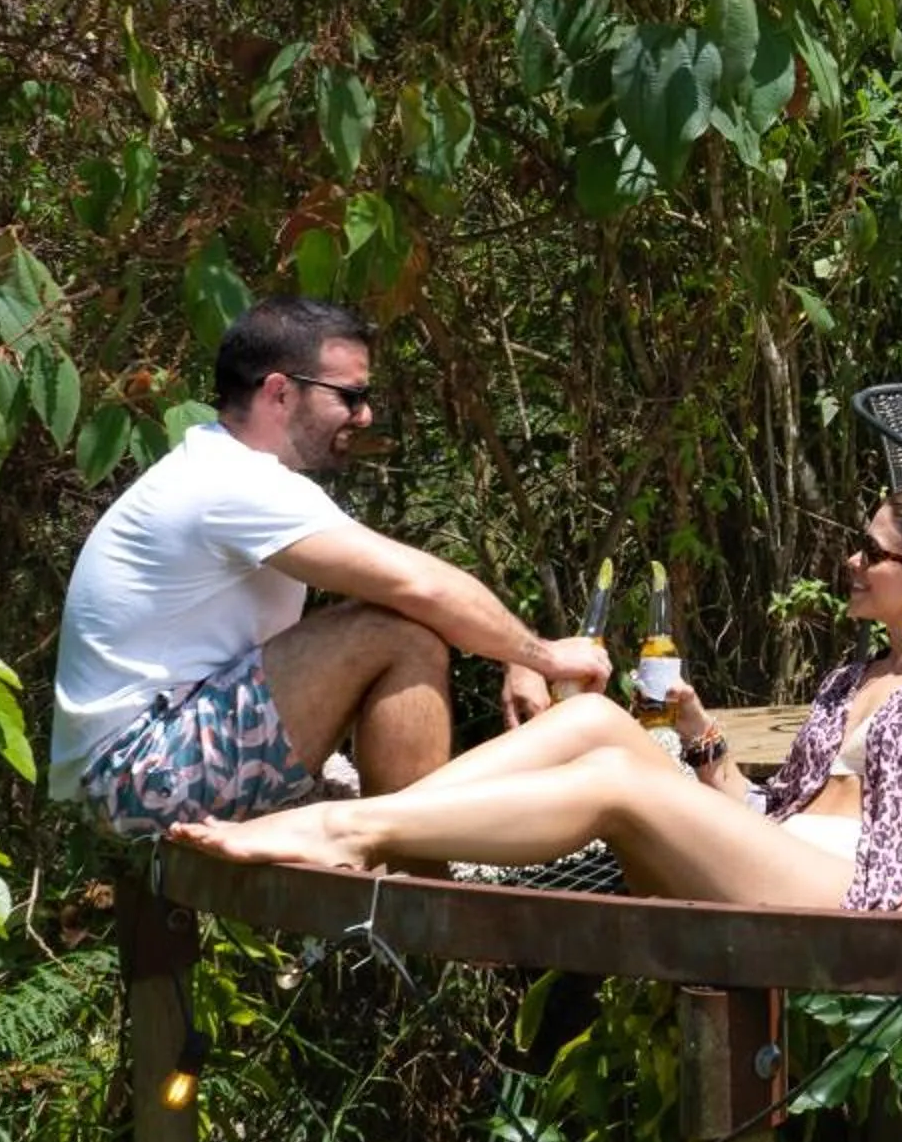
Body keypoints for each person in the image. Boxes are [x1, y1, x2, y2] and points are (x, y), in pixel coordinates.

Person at [170, 486, 902, 912]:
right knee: (594, 719)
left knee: (617, 786)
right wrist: (701, 739)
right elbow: (763, 811)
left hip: (858, 902)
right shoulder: (848, 680)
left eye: (871, 552)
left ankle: (345, 831)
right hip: (778, 855)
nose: (851, 561)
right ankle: (385, 820)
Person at [50, 296, 610, 836]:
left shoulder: (227, 470)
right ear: (280, 393)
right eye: (350, 395)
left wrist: (518, 656)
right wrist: (542, 655)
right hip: (140, 776)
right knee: (395, 630)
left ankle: (411, 863)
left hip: (146, 763)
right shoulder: (233, 483)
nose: (365, 415)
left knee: (396, 622)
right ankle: (414, 887)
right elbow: (416, 585)